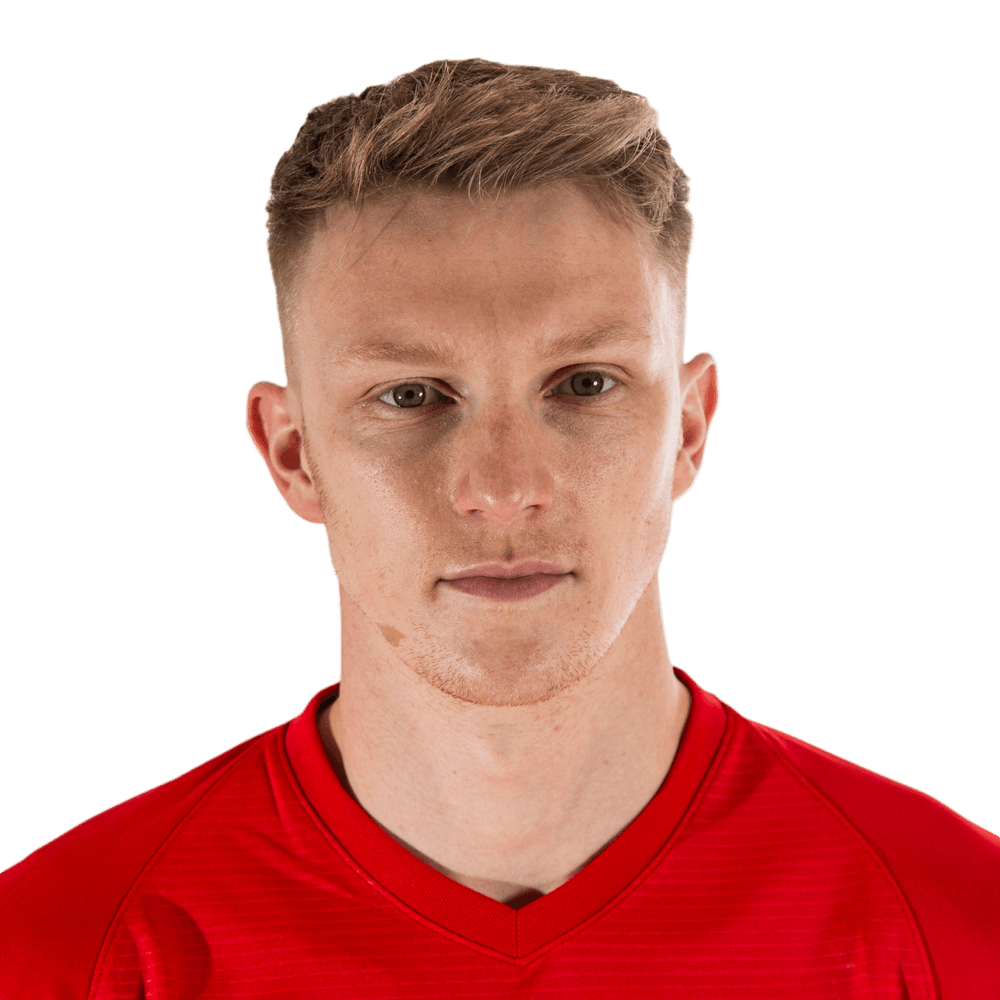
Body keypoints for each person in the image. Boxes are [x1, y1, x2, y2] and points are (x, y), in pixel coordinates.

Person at [1, 56, 997, 999]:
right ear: (293, 453)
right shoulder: (60, 950)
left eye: (585, 383)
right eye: (410, 394)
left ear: (687, 430)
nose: (504, 489)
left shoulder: (959, 930)